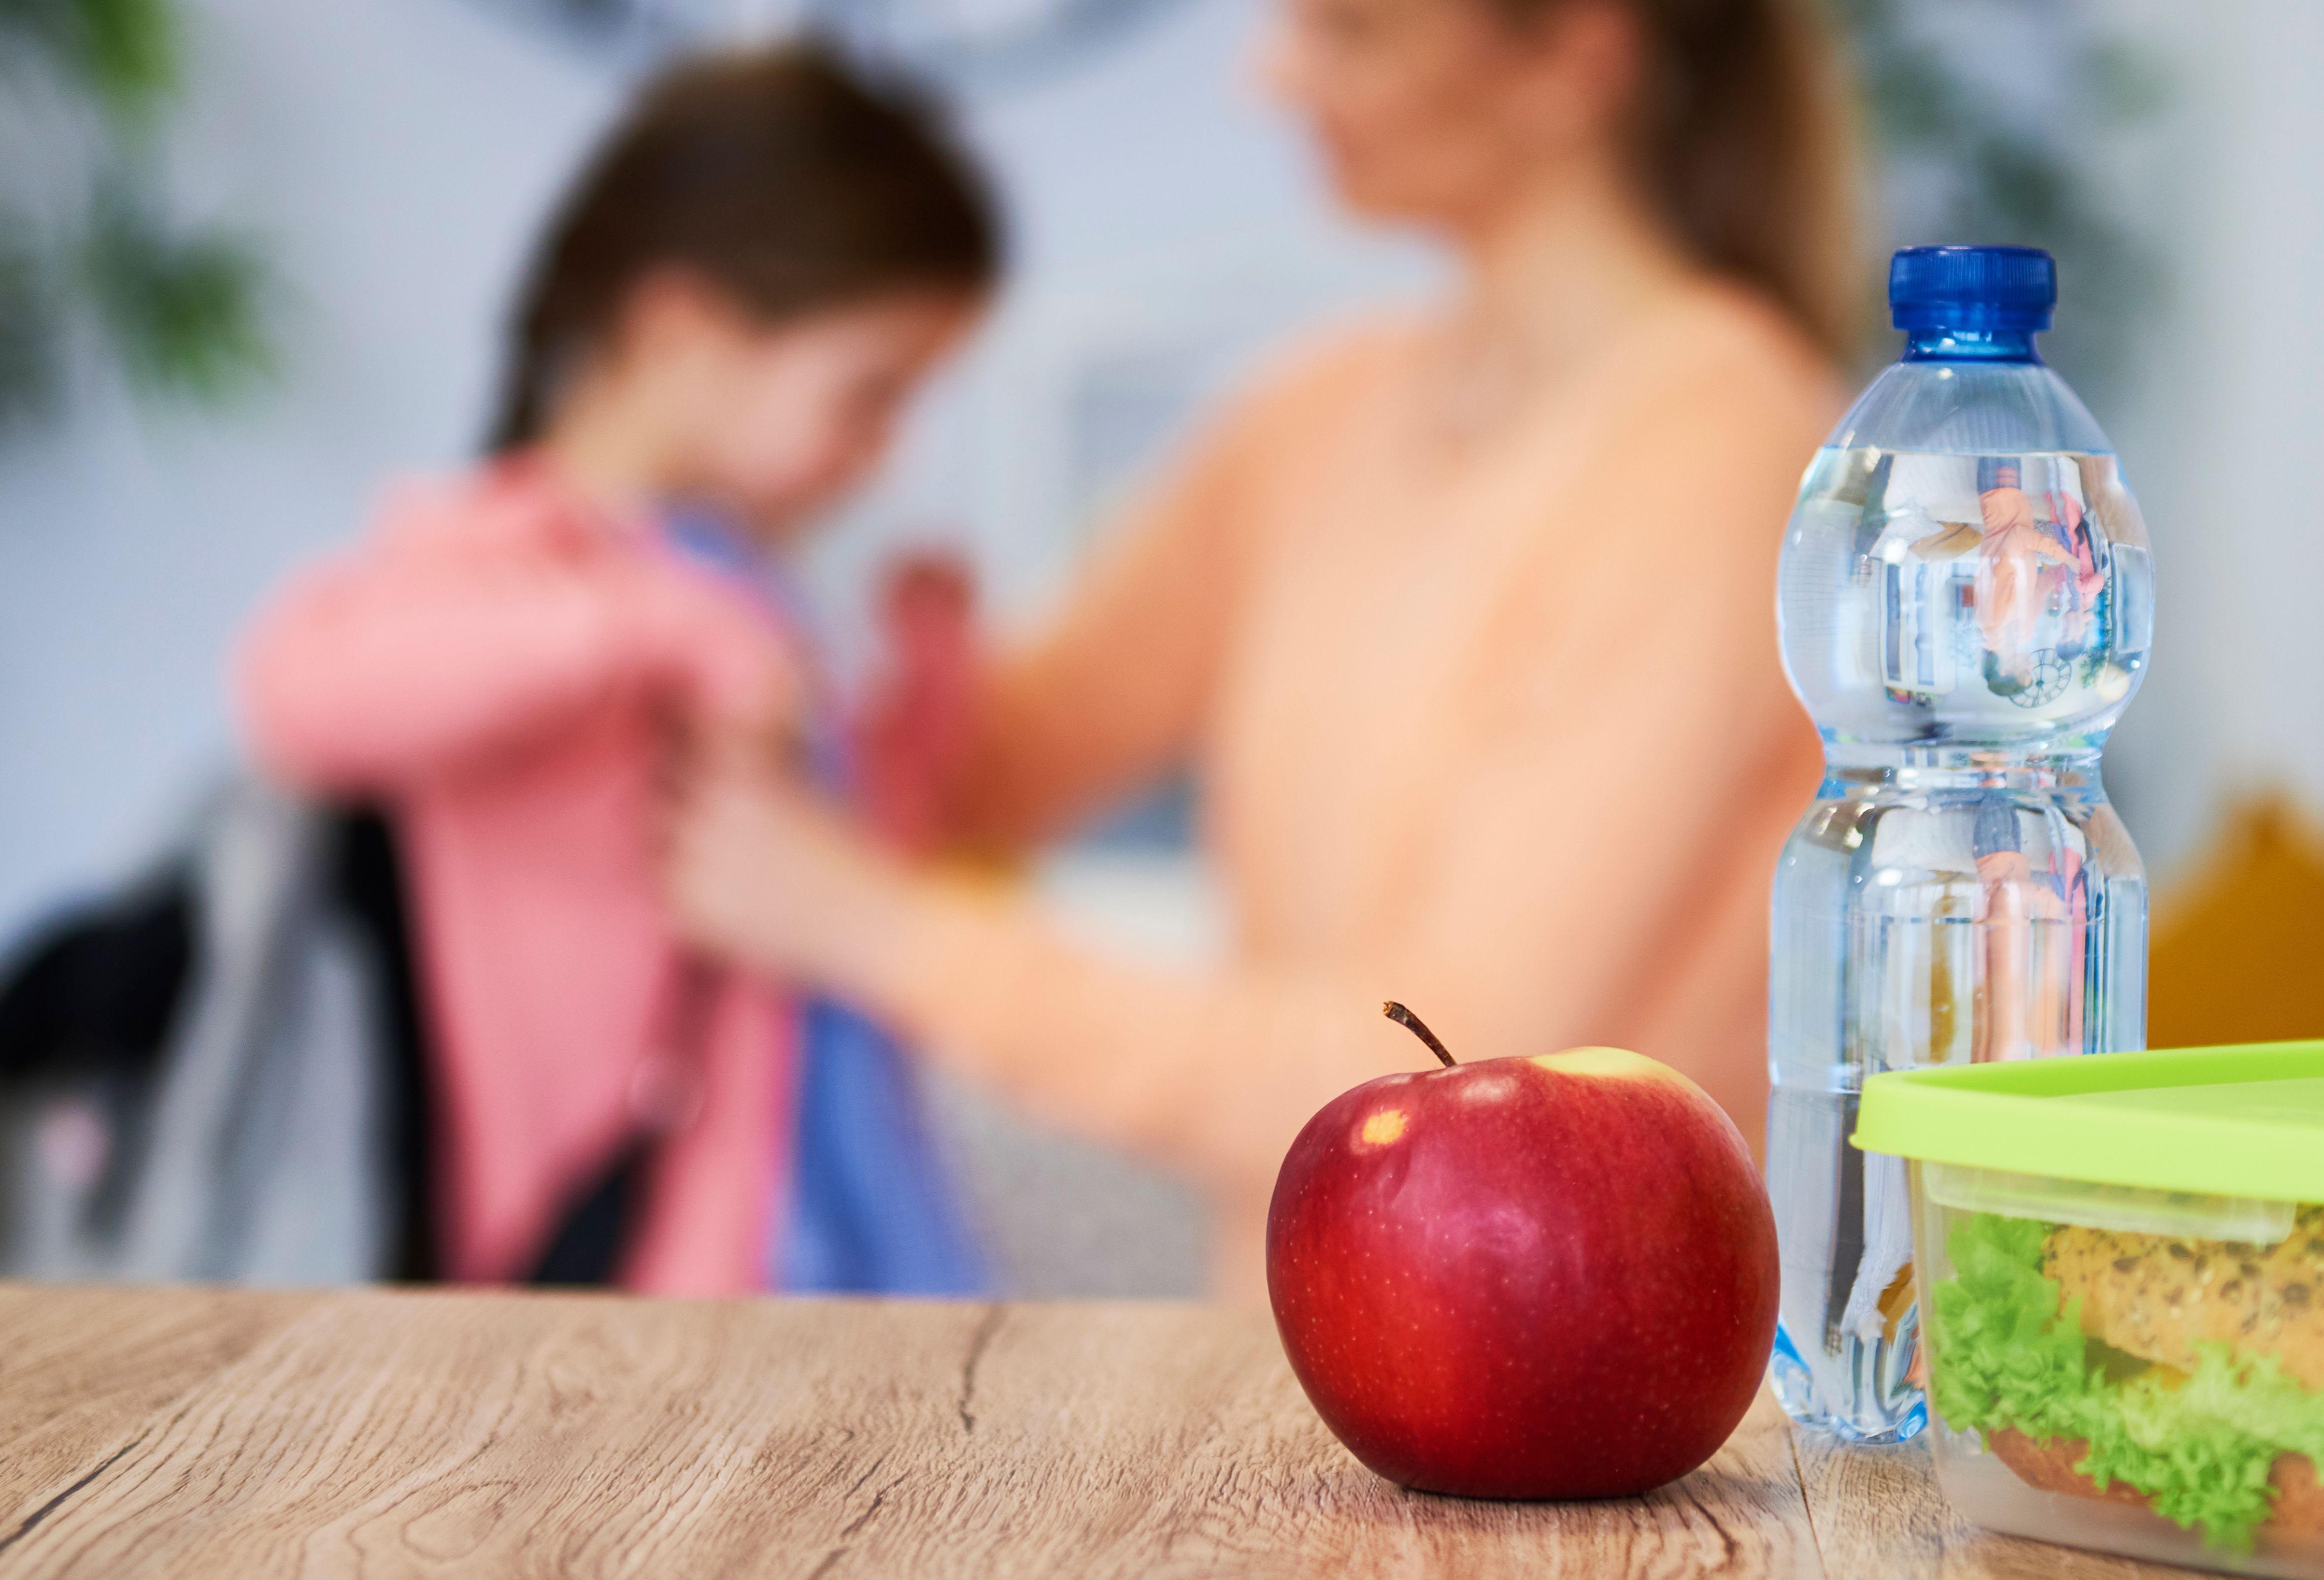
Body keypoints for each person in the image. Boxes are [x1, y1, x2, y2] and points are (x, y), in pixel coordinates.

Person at [666, 0, 1856, 1304]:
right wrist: (720, 501)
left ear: (1573, 62)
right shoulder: (1317, 415)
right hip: (1311, 1357)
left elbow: (1455, 1081)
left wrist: (876, 935)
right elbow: (984, 768)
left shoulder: (1716, 451)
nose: (1270, 77)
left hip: (1587, 1385)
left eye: (1348, 32)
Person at [236, 45, 1000, 1294]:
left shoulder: (743, 582)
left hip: (838, 1223)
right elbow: (295, 693)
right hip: (649, 1265)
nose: (885, 454)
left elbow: (834, 887)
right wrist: (645, 626)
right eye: (869, 395)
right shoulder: (517, 555)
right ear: (682, 332)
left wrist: (926, 700)